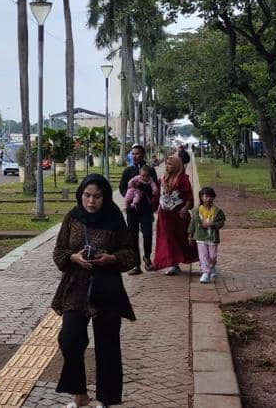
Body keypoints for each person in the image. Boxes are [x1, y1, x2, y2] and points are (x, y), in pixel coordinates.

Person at [51, 173, 136, 407]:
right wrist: (73, 257)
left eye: (97, 197)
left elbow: (130, 254)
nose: (91, 201)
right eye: (87, 196)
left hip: (106, 288)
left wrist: (111, 259)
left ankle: (106, 399)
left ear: (105, 197)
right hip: (75, 288)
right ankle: (79, 394)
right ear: (80, 195)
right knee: (69, 340)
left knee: (107, 345)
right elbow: (58, 252)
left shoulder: (114, 218)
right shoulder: (72, 217)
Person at [153, 155, 198, 275]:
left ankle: (204, 259)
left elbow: (189, 197)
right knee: (167, 239)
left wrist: (185, 209)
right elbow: (157, 195)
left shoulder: (182, 179)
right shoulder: (162, 179)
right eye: (166, 164)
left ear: (177, 166)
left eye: (170, 164)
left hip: (179, 215)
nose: (166, 166)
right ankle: (173, 264)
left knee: (183, 239)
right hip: (164, 215)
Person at [122, 164, 157, 275]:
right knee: (133, 236)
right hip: (132, 209)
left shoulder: (151, 170)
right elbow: (122, 187)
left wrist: (141, 188)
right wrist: (130, 194)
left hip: (146, 209)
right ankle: (136, 264)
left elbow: (154, 190)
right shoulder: (128, 170)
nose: (135, 156)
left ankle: (147, 257)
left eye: (137, 154)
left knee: (147, 234)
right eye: (133, 154)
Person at [188, 186, 226, 284]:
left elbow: (221, 222)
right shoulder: (197, 210)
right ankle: (205, 273)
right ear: (201, 197)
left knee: (212, 256)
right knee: (203, 255)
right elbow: (193, 223)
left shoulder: (217, 211)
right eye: (206, 196)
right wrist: (190, 235)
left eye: (211, 197)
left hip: (212, 237)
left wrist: (212, 224)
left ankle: (212, 266)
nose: (209, 199)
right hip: (200, 237)